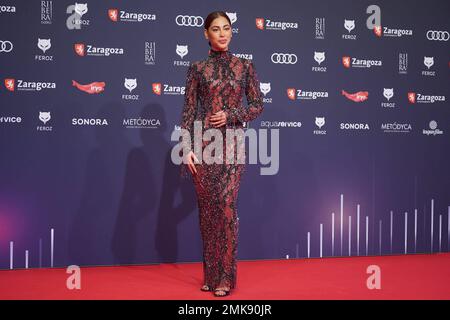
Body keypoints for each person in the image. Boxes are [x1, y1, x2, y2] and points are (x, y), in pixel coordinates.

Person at [179, 11, 264, 297]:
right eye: (216, 29)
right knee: (207, 214)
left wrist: (230, 115)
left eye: (227, 28)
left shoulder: (245, 67)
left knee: (227, 208)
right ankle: (210, 274)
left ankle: (225, 278)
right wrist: (187, 149)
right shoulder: (197, 68)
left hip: (232, 147)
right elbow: (189, 112)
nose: (222, 33)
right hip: (204, 148)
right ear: (206, 34)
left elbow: (257, 105)